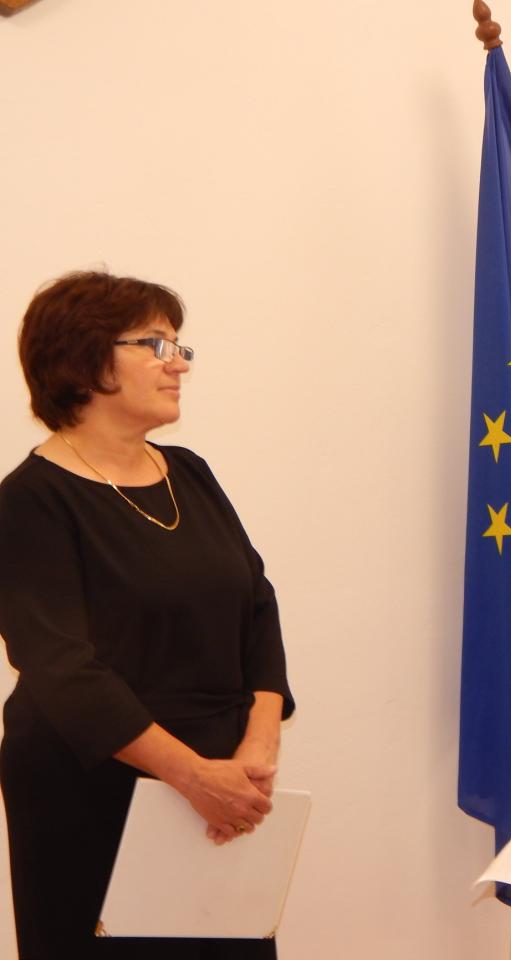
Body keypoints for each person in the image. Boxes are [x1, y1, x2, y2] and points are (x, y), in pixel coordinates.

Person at [0, 271, 295, 958]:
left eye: (180, 346)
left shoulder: (188, 473)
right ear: (84, 361)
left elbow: (257, 605)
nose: (178, 363)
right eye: (156, 344)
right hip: (91, 786)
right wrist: (191, 775)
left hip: (222, 781)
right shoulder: (29, 502)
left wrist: (255, 752)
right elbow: (62, 668)